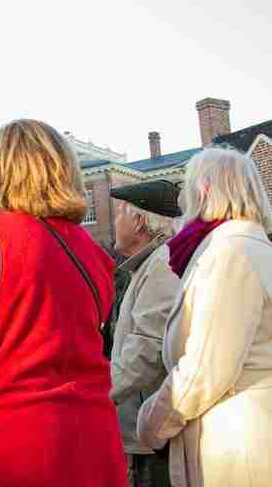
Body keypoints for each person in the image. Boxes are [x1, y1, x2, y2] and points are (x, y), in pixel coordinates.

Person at [0, 119, 127, 487]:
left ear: (0, 172)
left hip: (13, 440)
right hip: (93, 437)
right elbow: (100, 345)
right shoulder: (95, 253)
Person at [137, 147, 272, 486]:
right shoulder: (250, 248)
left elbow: (205, 369)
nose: (182, 199)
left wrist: (152, 424)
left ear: (207, 191)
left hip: (236, 445)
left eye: (187, 187)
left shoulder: (230, 253)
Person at [109, 180, 182, 487]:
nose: (115, 222)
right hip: (146, 429)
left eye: (119, 214)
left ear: (139, 221)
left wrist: (101, 396)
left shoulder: (162, 264)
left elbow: (147, 348)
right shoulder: (149, 265)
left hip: (153, 434)